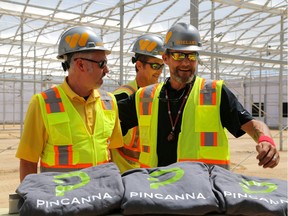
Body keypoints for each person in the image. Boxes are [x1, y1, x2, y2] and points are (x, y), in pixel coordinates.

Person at [116, 22, 280, 171]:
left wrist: (266, 140)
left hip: (204, 194)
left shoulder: (214, 92)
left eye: (192, 56)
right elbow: (107, 119)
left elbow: (252, 125)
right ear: (165, 58)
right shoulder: (145, 96)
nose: (186, 63)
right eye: (179, 55)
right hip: (157, 191)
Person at [16, 26, 123, 182]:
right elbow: (28, 161)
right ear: (80, 65)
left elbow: (111, 154)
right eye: (102, 63)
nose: (107, 70)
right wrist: (30, 199)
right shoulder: (42, 103)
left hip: (101, 199)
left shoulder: (109, 102)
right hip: (61, 201)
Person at [111, 34, 165, 173]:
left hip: (148, 172)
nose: (159, 71)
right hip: (124, 174)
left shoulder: (157, 96)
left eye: (161, 66)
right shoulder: (122, 96)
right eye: (154, 66)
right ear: (139, 65)